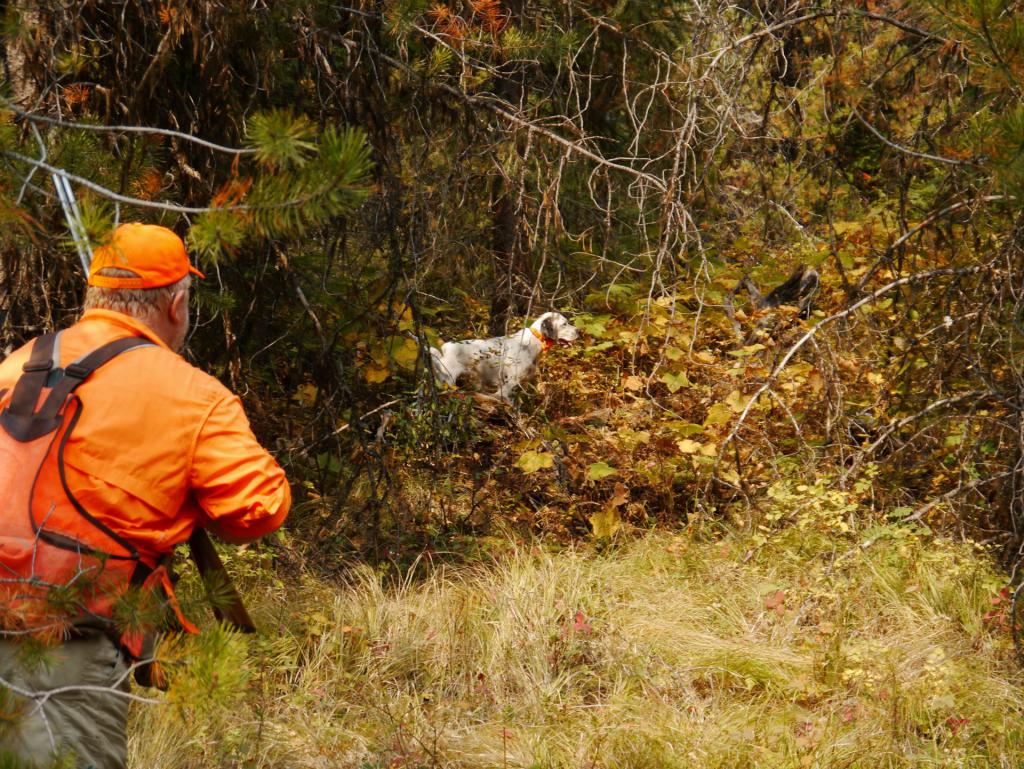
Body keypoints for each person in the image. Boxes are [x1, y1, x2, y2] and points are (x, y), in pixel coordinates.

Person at [0, 223, 291, 769]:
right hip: (64, 649)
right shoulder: (192, 395)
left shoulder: (17, 363)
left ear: (94, 295)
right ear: (177, 303)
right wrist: (182, 494)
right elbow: (260, 508)